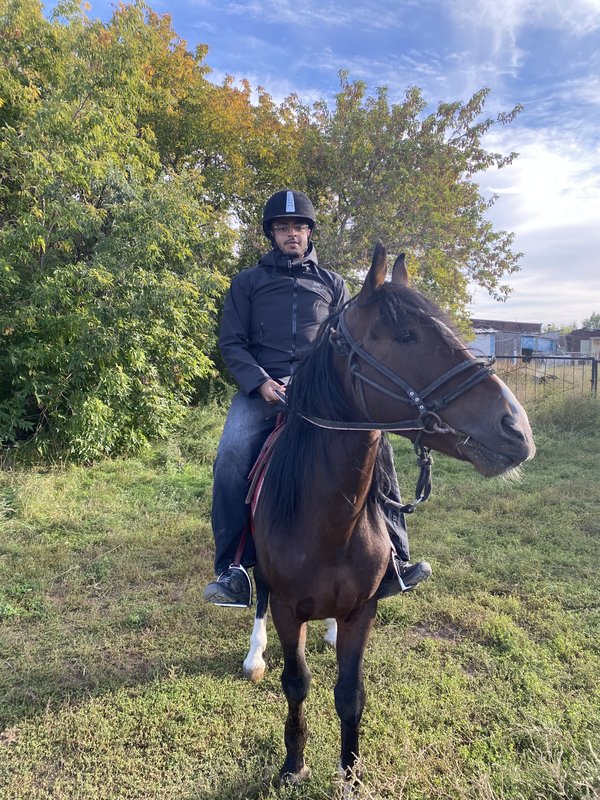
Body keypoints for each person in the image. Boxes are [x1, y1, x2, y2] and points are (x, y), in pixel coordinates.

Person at [204, 190, 431, 607]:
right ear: (271, 234)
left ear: (310, 233)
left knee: (378, 447)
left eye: (299, 227)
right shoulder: (247, 283)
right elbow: (232, 343)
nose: (292, 233)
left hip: (319, 392)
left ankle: (396, 557)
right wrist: (261, 382)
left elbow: (346, 343)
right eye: (283, 227)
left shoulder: (332, 284)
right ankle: (232, 569)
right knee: (231, 455)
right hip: (263, 390)